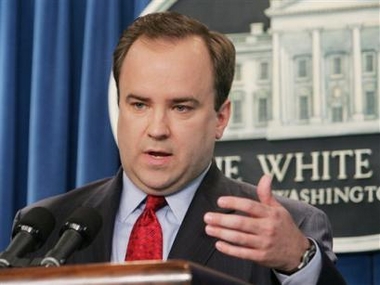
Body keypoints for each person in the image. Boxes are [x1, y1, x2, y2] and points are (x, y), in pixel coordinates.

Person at [13, 11, 346, 284]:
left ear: (220, 117)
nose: (157, 129)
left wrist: (297, 261)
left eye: (181, 107)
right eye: (139, 105)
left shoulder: (292, 229)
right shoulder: (45, 226)